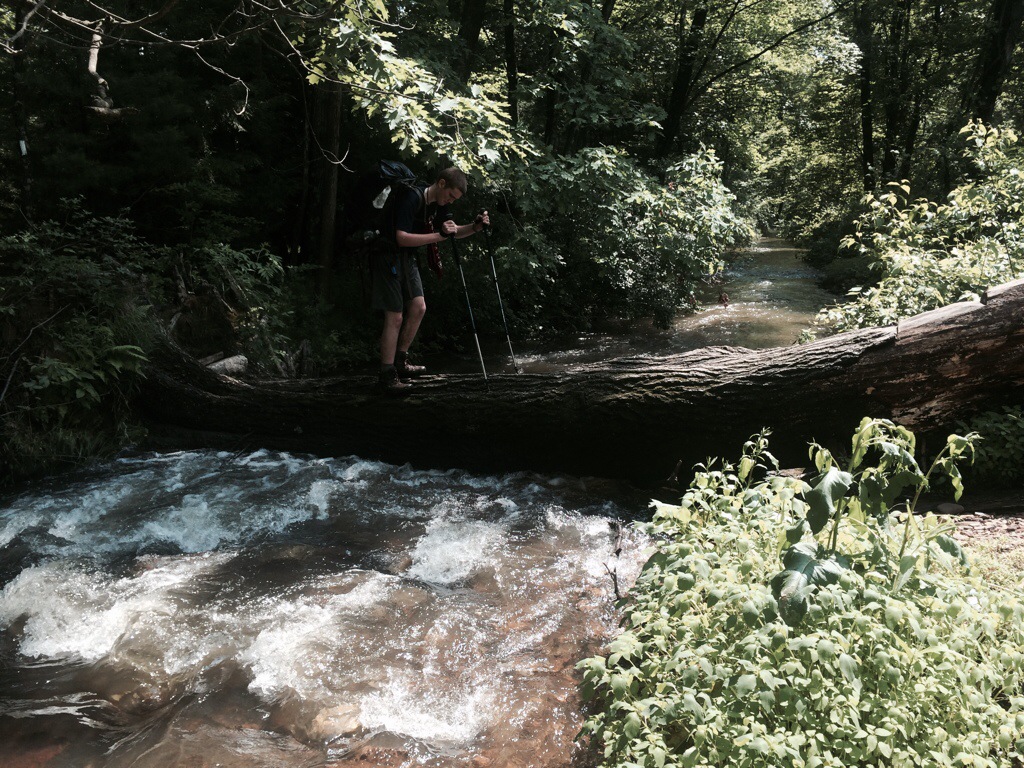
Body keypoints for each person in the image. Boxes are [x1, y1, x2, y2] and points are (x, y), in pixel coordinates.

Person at [371, 166, 489, 393]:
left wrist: (475, 227)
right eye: (451, 195)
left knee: (418, 307)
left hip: (406, 258)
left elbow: (451, 232)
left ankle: (400, 362)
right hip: (387, 256)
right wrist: (439, 235)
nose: (451, 201)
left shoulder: (438, 204)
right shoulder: (411, 197)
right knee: (395, 316)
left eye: (455, 199)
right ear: (441, 183)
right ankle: (386, 376)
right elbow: (401, 237)